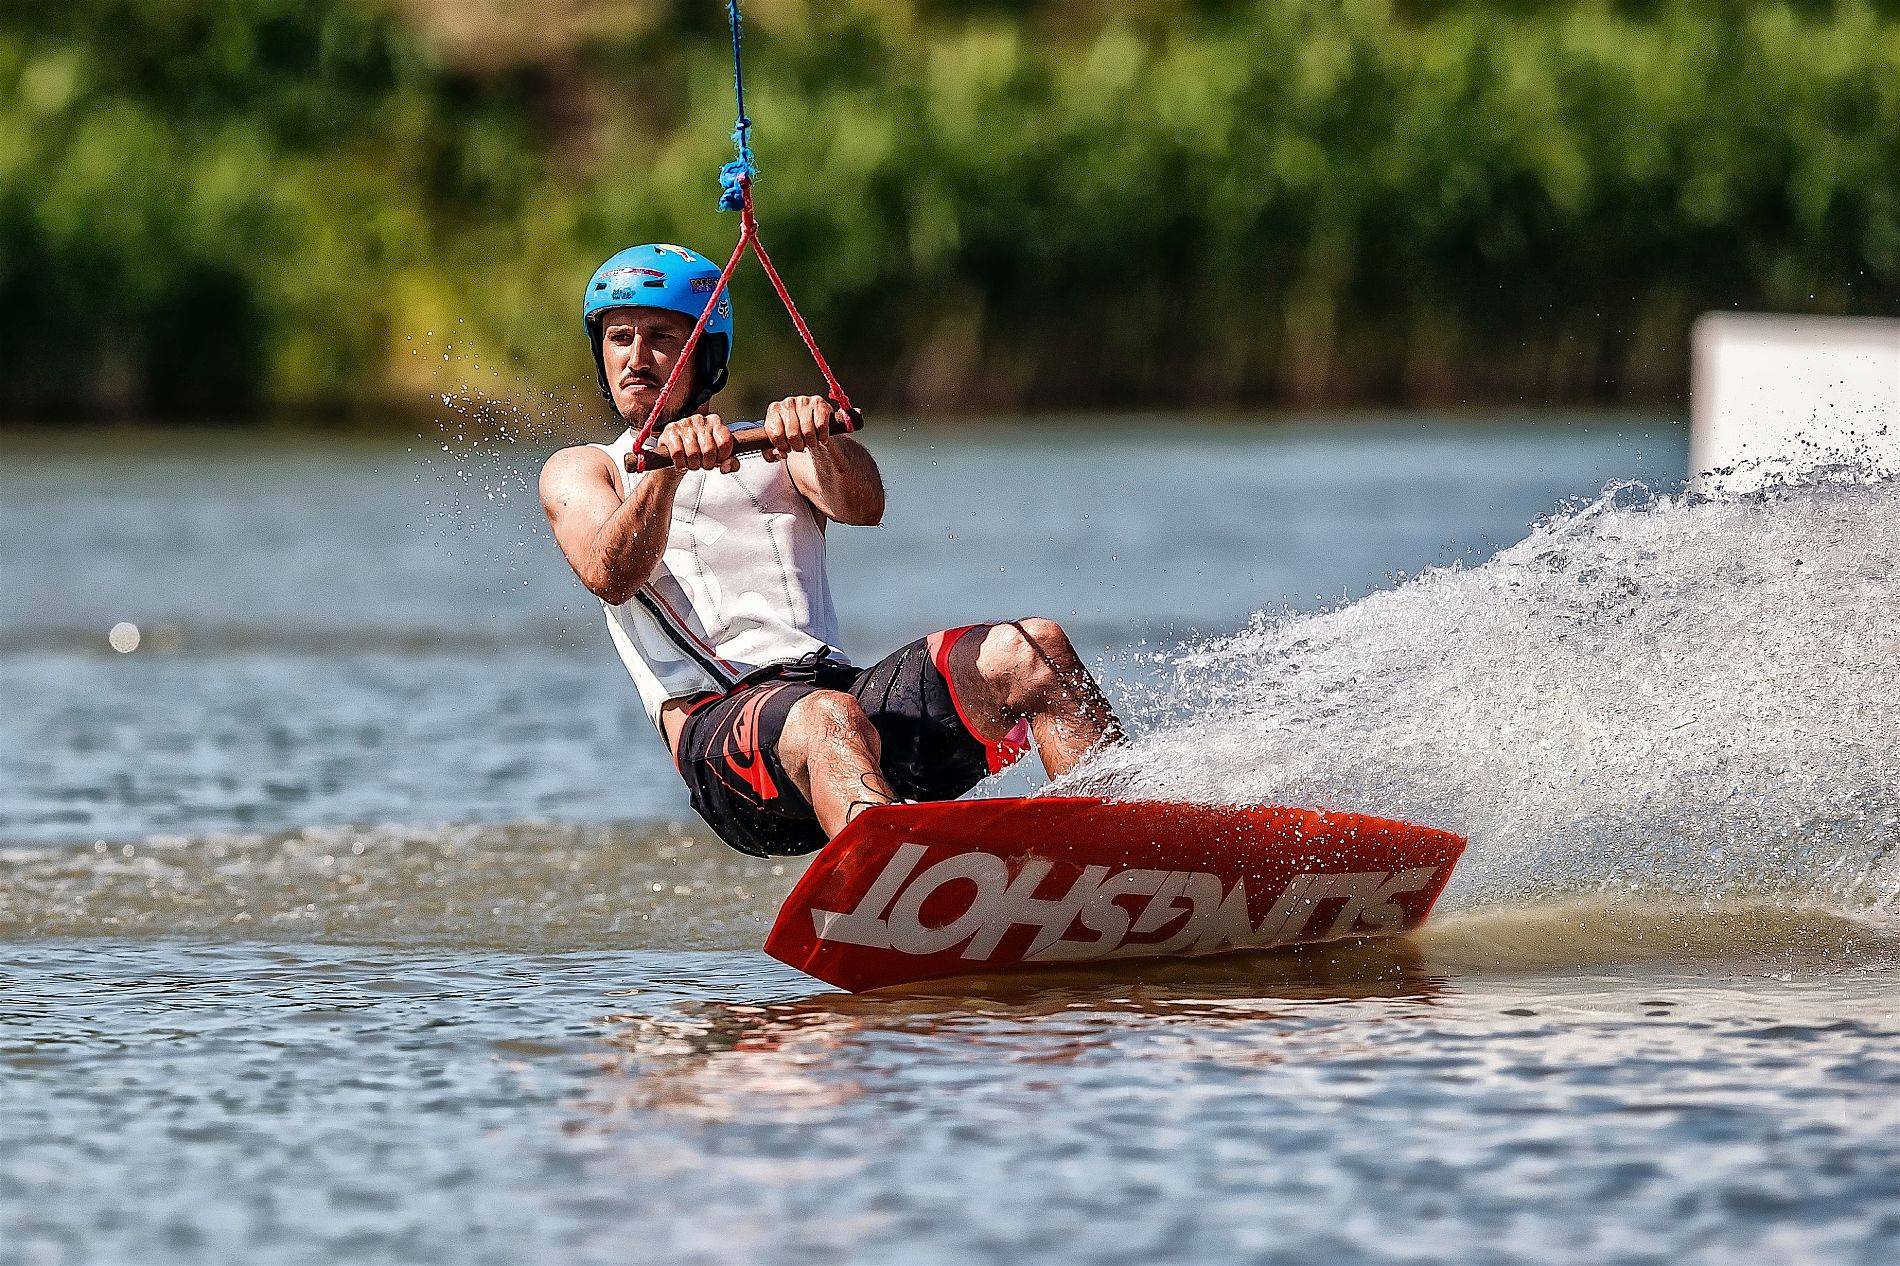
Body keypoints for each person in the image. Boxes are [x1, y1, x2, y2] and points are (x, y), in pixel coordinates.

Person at [539, 243, 1123, 858]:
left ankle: (1127, 850)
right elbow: (610, 573)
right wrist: (666, 472)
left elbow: (864, 506)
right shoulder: (583, 470)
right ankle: (896, 885)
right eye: (620, 337)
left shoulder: (776, 446)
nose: (636, 358)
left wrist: (817, 439)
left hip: (842, 708)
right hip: (723, 748)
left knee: (1035, 651)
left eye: (661, 336)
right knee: (825, 717)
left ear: (706, 351)